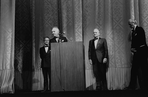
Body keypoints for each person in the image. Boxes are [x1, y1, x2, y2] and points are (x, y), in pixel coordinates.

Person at [128, 19, 148, 90]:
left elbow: (141, 41)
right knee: (134, 70)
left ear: (134, 23)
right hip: (137, 52)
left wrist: (135, 48)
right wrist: (132, 48)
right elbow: (133, 42)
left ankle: (145, 86)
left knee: (144, 69)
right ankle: (132, 86)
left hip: (142, 52)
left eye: (130, 23)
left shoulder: (140, 29)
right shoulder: (133, 31)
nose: (129, 25)